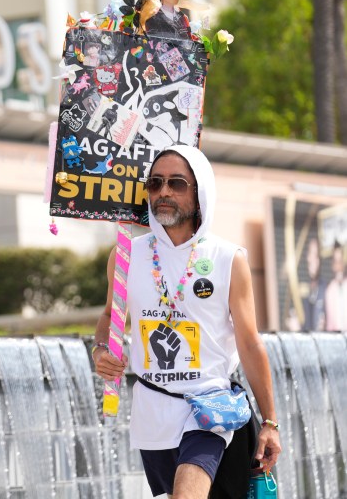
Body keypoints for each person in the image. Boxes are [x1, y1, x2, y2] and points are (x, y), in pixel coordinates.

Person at [92, 146, 281, 498]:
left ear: (200, 192)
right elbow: (108, 317)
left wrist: (270, 421)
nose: (163, 192)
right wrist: (101, 349)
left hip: (209, 410)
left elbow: (250, 342)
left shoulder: (228, 259)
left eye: (176, 183)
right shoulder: (125, 256)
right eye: (155, 183)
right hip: (153, 412)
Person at [302, 237, 324, 331]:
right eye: (310, 254)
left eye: (315, 255)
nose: (311, 260)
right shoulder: (303, 291)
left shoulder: (327, 291)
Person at [324, 242, 346, 331]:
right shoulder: (330, 291)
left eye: (340, 262)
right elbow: (330, 323)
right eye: (336, 262)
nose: (339, 267)